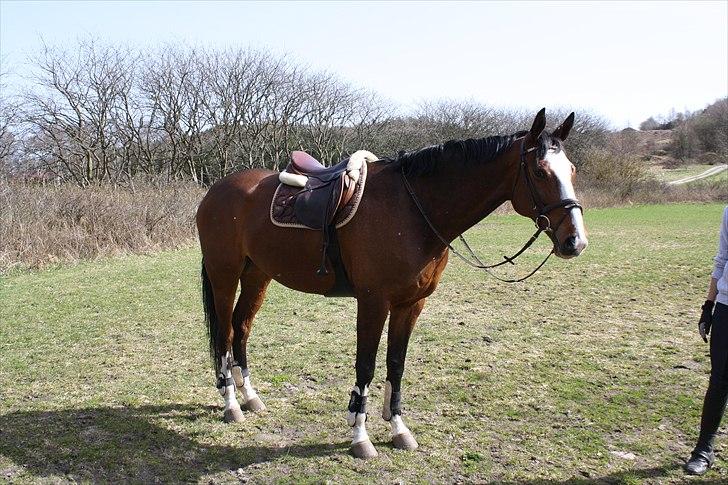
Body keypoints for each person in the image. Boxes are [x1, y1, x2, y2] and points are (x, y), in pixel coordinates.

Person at [685, 206, 728, 475]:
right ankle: (703, 450)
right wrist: (708, 305)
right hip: (726, 306)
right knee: (719, 380)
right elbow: (722, 259)